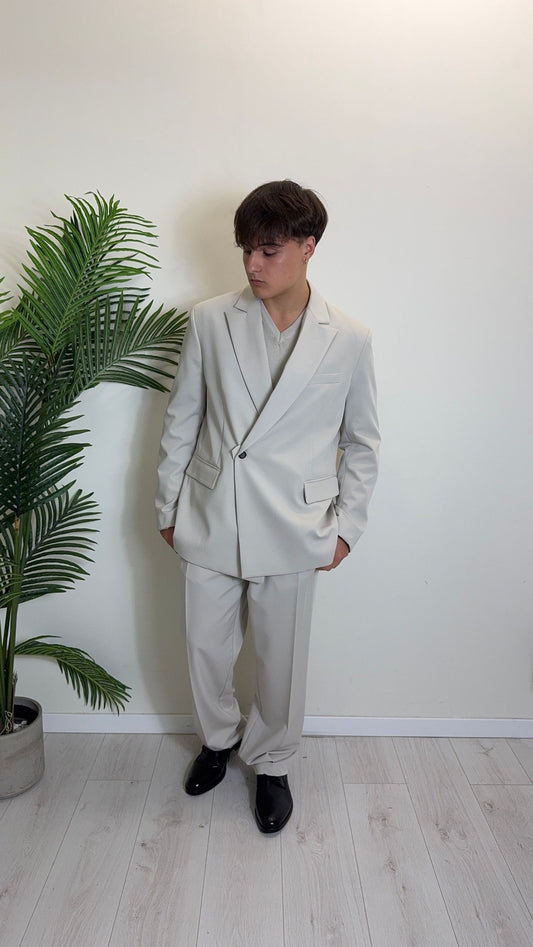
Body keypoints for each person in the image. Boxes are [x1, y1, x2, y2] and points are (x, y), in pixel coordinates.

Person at [156, 180, 380, 833]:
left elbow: (362, 441)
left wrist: (346, 529)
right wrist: (168, 507)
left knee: (282, 661)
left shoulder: (349, 338)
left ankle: (273, 761)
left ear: (308, 247)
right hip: (210, 512)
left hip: (296, 523)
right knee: (205, 647)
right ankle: (218, 739)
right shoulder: (209, 320)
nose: (252, 265)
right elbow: (182, 419)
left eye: (268, 251)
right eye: (246, 251)